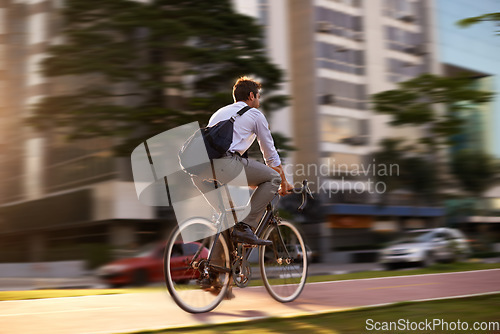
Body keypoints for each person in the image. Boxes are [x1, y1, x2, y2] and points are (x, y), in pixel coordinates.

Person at [191, 76, 294, 246]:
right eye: (258, 96)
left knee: (227, 220)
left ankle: (216, 269)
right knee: (272, 178)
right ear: (251, 96)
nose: (259, 99)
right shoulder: (255, 115)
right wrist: (283, 183)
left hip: (199, 171)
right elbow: (270, 155)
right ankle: (246, 226)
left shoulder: (219, 113)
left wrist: (256, 184)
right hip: (225, 165)